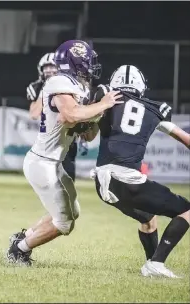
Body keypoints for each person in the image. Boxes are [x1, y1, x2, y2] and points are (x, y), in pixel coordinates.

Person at [6, 40, 122, 266]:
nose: (91, 65)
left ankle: (24, 236)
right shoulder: (59, 81)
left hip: (54, 163)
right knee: (64, 223)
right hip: (42, 163)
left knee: (73, 212)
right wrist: (103, 105)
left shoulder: (79, 88)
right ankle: (18, 250)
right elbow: (69, 115)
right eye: (87, 60)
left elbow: (87, 135)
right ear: (75, 61)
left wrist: (98, 112)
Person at [91, 64, 190, 278]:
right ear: (142, 86)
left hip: (102, 182)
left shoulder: (105, 97)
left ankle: (152, 264)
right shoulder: (155, 108)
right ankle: (156, 263)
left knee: (148, 219)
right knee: (187, 210)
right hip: (127, 181)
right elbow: (185, 139)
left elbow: (86, 123)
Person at [26, 52, 79, 181]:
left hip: (66, 136)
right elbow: (33, 114)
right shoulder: (37, 88)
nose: (49, 70)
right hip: (47, 139)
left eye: (52, 67)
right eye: (46, 67)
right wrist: (45, 91)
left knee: (66, 178)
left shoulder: (70, 85)